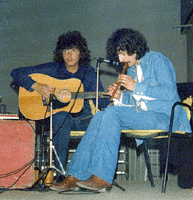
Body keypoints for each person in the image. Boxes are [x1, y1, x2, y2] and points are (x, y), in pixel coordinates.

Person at [49, 28, 192, 192]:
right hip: (144, 116)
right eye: (118, 54)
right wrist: (120, 97)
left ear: (135, 49)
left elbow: (168, 93)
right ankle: (74, 175)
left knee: (111, 113)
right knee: (100, 116)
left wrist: (136, 86)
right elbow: (135, 101)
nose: (120, 59)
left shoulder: (157, 60)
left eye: (123, 53)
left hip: (165, 116)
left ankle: (102, 177)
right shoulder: (131, 69)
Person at [10, 30, 109, 182]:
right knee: (61, 117)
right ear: (61, 53)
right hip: (59, 120)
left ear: (81, 53)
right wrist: (37, 86)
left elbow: (101, 102)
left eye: (74, 50)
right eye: (66, 50)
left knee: (103, 120)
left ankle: (94, 174)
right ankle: (61, 174)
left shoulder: (88, 72)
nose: (69, 55)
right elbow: (16, 72)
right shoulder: (53, 69)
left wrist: (109, 96)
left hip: (83, 119)